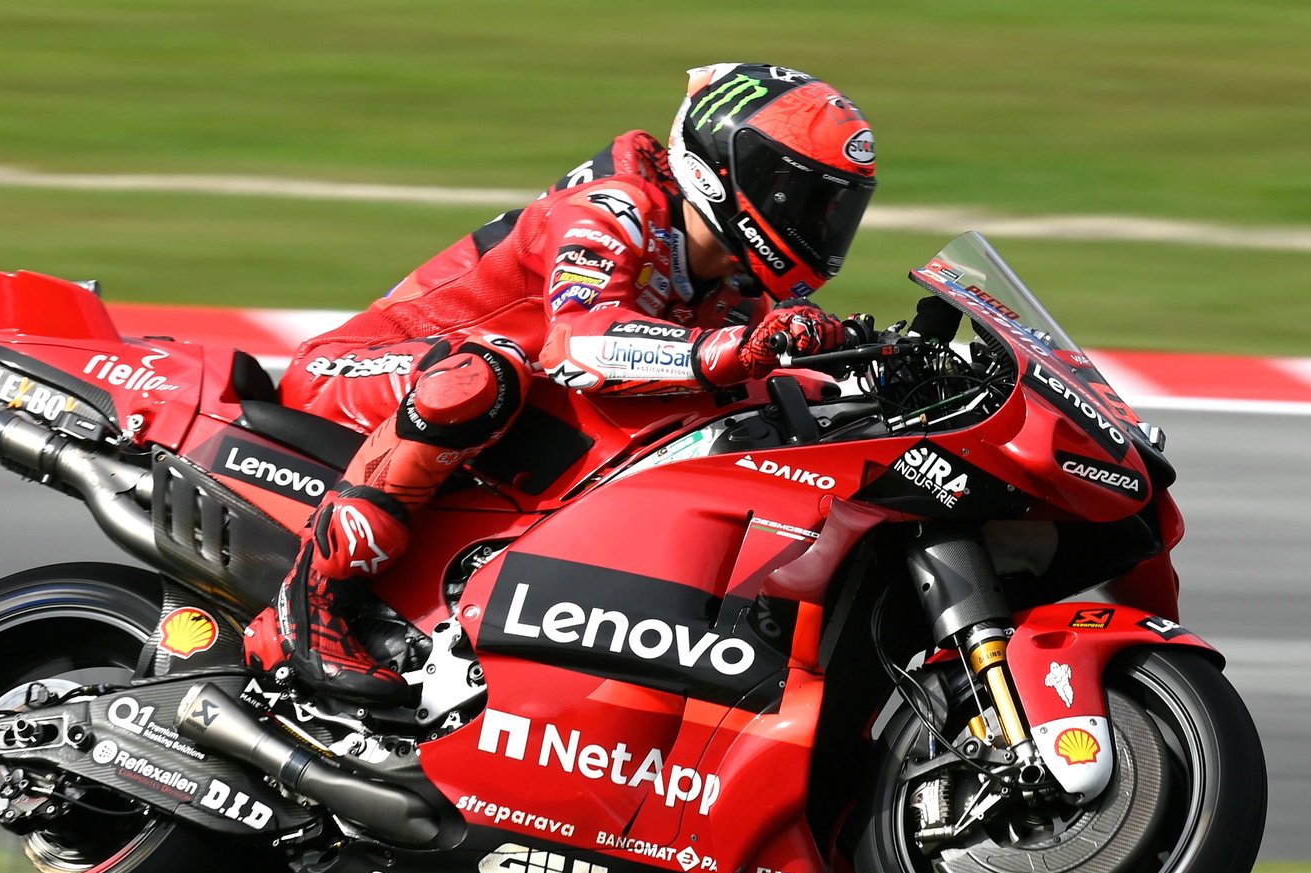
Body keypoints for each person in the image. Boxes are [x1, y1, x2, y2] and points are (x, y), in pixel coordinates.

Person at [242, 62, 879, 705]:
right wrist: (737, 351)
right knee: (483, 374)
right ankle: (308, 606)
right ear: (726, 169)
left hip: (481, 417)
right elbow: (579, 346)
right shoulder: (614, 209)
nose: (819, 223)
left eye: (835, 208)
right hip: (362, 370)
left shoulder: (736, 294)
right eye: (800, 197)